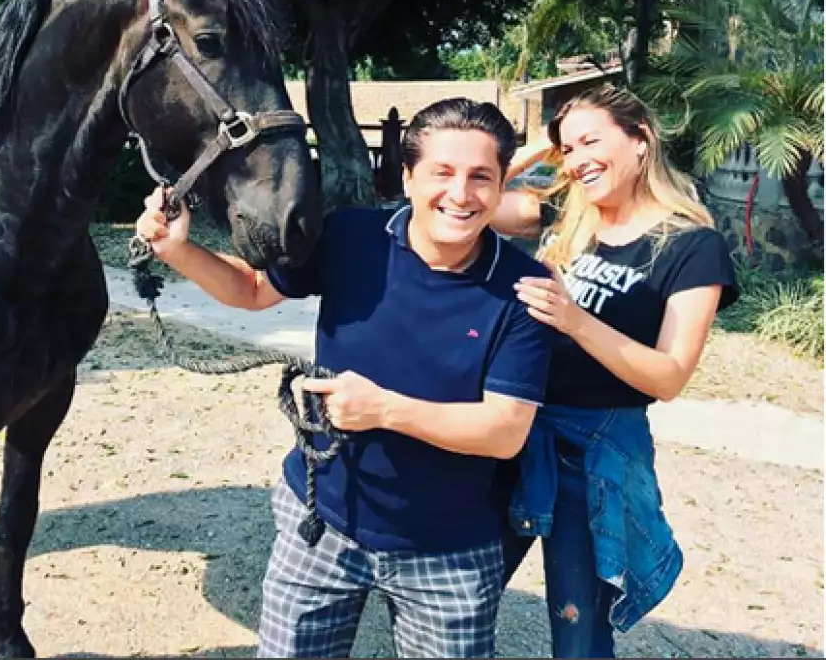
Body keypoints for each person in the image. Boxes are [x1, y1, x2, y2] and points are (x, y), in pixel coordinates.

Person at [135, 98, 554, 659]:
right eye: (442, 173)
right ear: (407, 178)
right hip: (323, 521)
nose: (461, 194)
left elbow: (504, 432)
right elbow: (254, 291)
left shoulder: (526, 291)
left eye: (481, 177)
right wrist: (177, 250)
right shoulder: (352, 236)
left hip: (449, 550)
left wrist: (384, 410)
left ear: (502, 186)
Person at [488, 83, 739, 658]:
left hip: (591, 453)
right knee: (459, 596)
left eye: (590, 142)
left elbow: (670, 376)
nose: (577, 161)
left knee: (578, 632)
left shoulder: (692, 247)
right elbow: (469, 202)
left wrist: (576, 322)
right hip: (513, 425)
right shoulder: (563, 214)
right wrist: (528, 154)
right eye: (567, 149)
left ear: (640, 141)